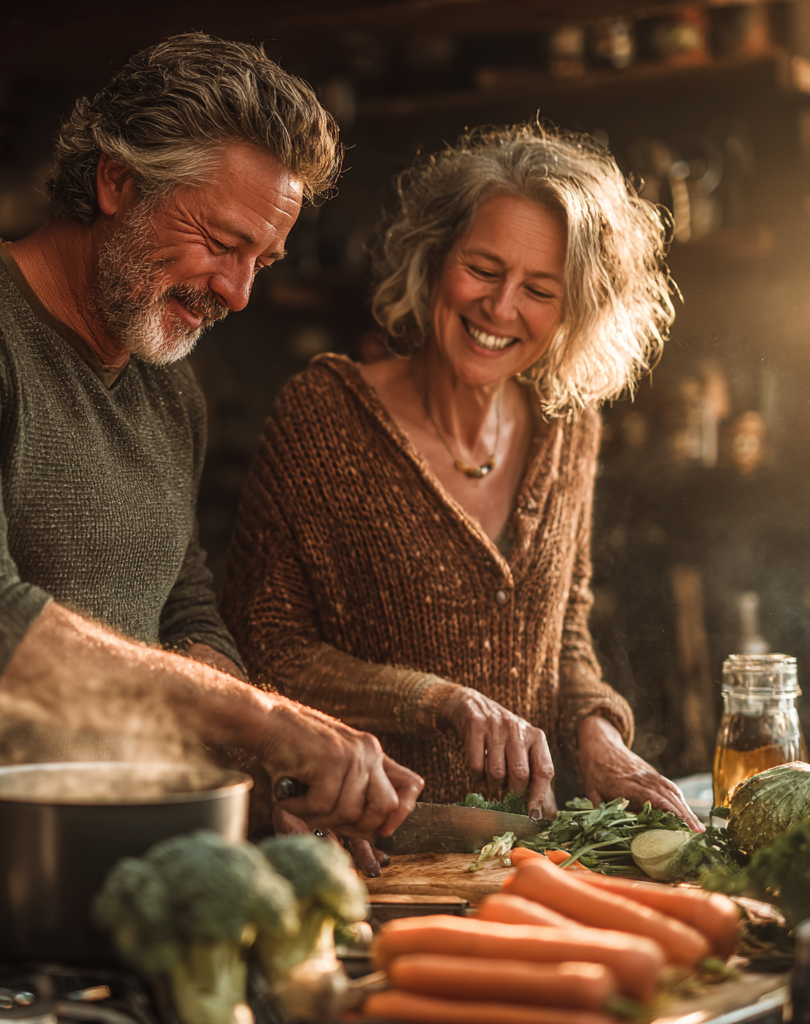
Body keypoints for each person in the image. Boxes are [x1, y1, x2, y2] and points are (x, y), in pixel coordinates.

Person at [0, 34, 423, 936]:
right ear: (116, 183)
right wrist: (266, 718)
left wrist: (262, 761)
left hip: (114, 908)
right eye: (222, 242)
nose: (238, 294)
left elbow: (184, 611)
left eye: (263, 261)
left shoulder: (170, 384)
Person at [221, 123, 702, 838]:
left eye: (540, 289)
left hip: (528, 851)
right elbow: (268, 652)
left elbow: (561, 634)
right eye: (483, 268)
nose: (501, 308)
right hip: (362, 841)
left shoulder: (567, 424)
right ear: (434, 255)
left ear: (574, 310)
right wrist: (437, 698)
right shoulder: (326, 417)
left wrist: (599, 736)